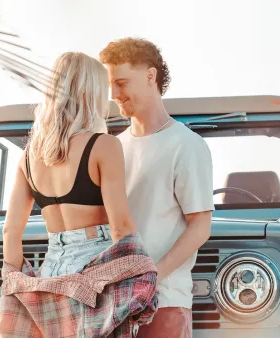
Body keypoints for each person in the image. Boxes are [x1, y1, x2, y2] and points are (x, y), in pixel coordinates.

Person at [100, 37, 215, 337]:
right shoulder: (112, 147)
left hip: (165, 302)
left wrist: (152, 276)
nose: (114, 94)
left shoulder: (186, 145)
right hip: (113, 306)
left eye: (121, 82)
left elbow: (200, 227)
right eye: (110, 84)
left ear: (150, 76)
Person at [1, 51, 137, 278]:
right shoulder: (104, 146)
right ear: (90, 93)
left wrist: (15, 284)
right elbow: (120, 226)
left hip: (51, 275)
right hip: (96, 274)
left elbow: (10, 231)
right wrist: (138, 276)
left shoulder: (28, 157)